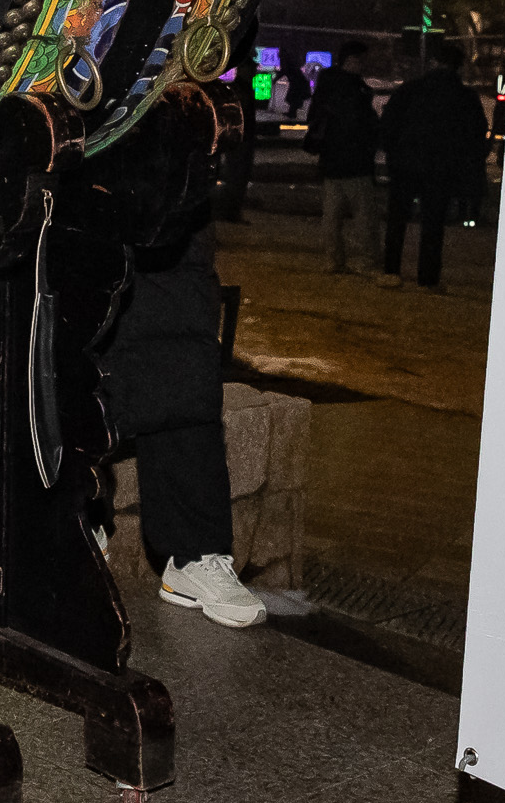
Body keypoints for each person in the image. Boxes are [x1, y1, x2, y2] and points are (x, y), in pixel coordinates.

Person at [97, 227, 265, 627]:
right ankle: (78, 517)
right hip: (75, 190)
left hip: (168, 192)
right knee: (76, 331)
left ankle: (193, 553)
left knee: (185, 356)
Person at [377, 42, 490, 291]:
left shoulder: (410, 90)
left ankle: (391, 271)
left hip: (405, 164)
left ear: (434, 62)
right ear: (458, 67)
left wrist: (393, 155)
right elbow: (475, 135)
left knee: (397, 219)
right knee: (433, 224)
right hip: (441, 168)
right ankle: (428, 278)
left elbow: (388, 124)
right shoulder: (464, 97)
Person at [304, 41, 380, 273]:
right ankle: (368, 262)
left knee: (332, 216)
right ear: (352, 60)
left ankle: (333, 260)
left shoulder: (327, 87)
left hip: (330, 160)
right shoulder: (353, 91)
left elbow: (314, 117)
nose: (365, 65)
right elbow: (362, 125)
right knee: (364, 216)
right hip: (354, 161)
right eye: (362, 60)